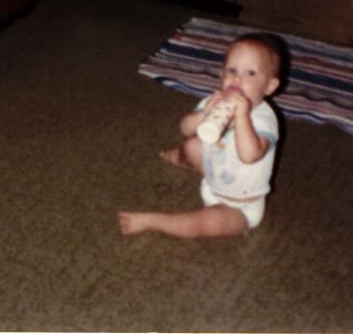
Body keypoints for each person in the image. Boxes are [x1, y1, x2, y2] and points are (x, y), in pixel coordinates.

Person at [118, 33, 285, 238]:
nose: (237, 78)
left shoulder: (264, 119)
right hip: (213, 175)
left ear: (269, 86)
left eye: (250, 73)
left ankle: (153, 221)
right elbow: (185, 128)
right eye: (231, 70)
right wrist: (204, 114)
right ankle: (182, 159)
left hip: (240, 205)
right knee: (191, 146)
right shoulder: (215, 101)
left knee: (210, 222)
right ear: (222, 74)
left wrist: (242, 116)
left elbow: (249, 155)